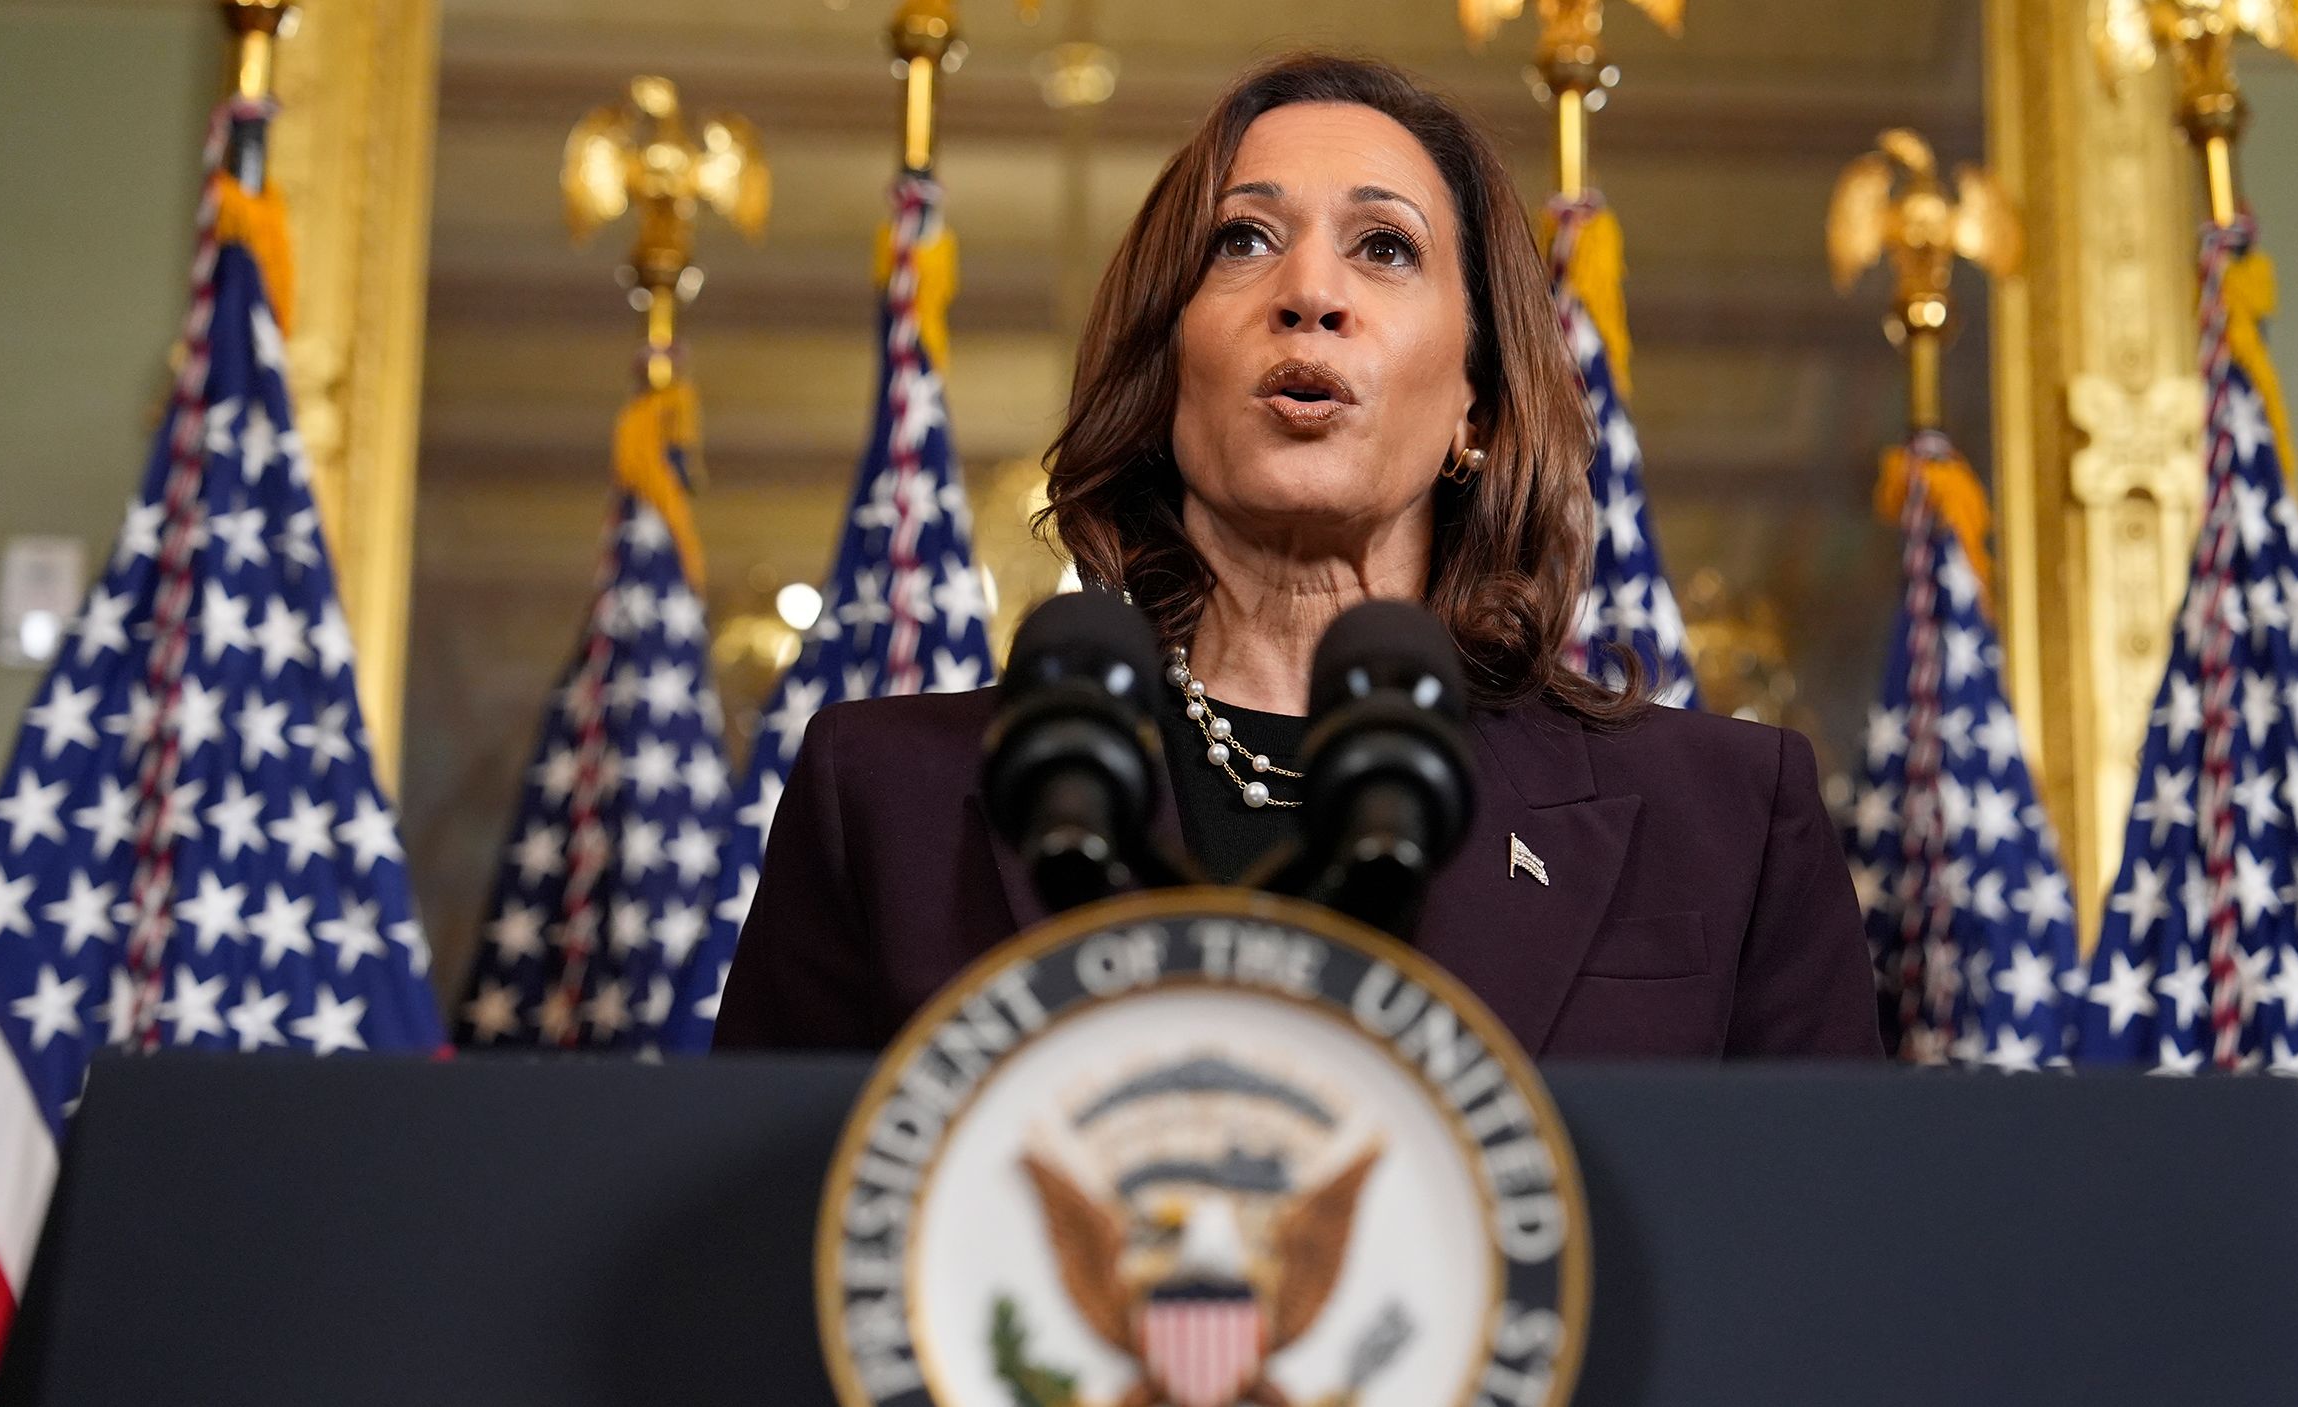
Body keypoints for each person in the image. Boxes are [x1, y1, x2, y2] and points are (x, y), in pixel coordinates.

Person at [714, 53, 1880, 1060]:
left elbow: (1817, 1265)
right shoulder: (885, 801)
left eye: (1383, 247)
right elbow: (776, 1257)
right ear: (1165, 371)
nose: (1309, 292)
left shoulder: (1725, 824)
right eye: (1243, 241)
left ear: (1476, 409)